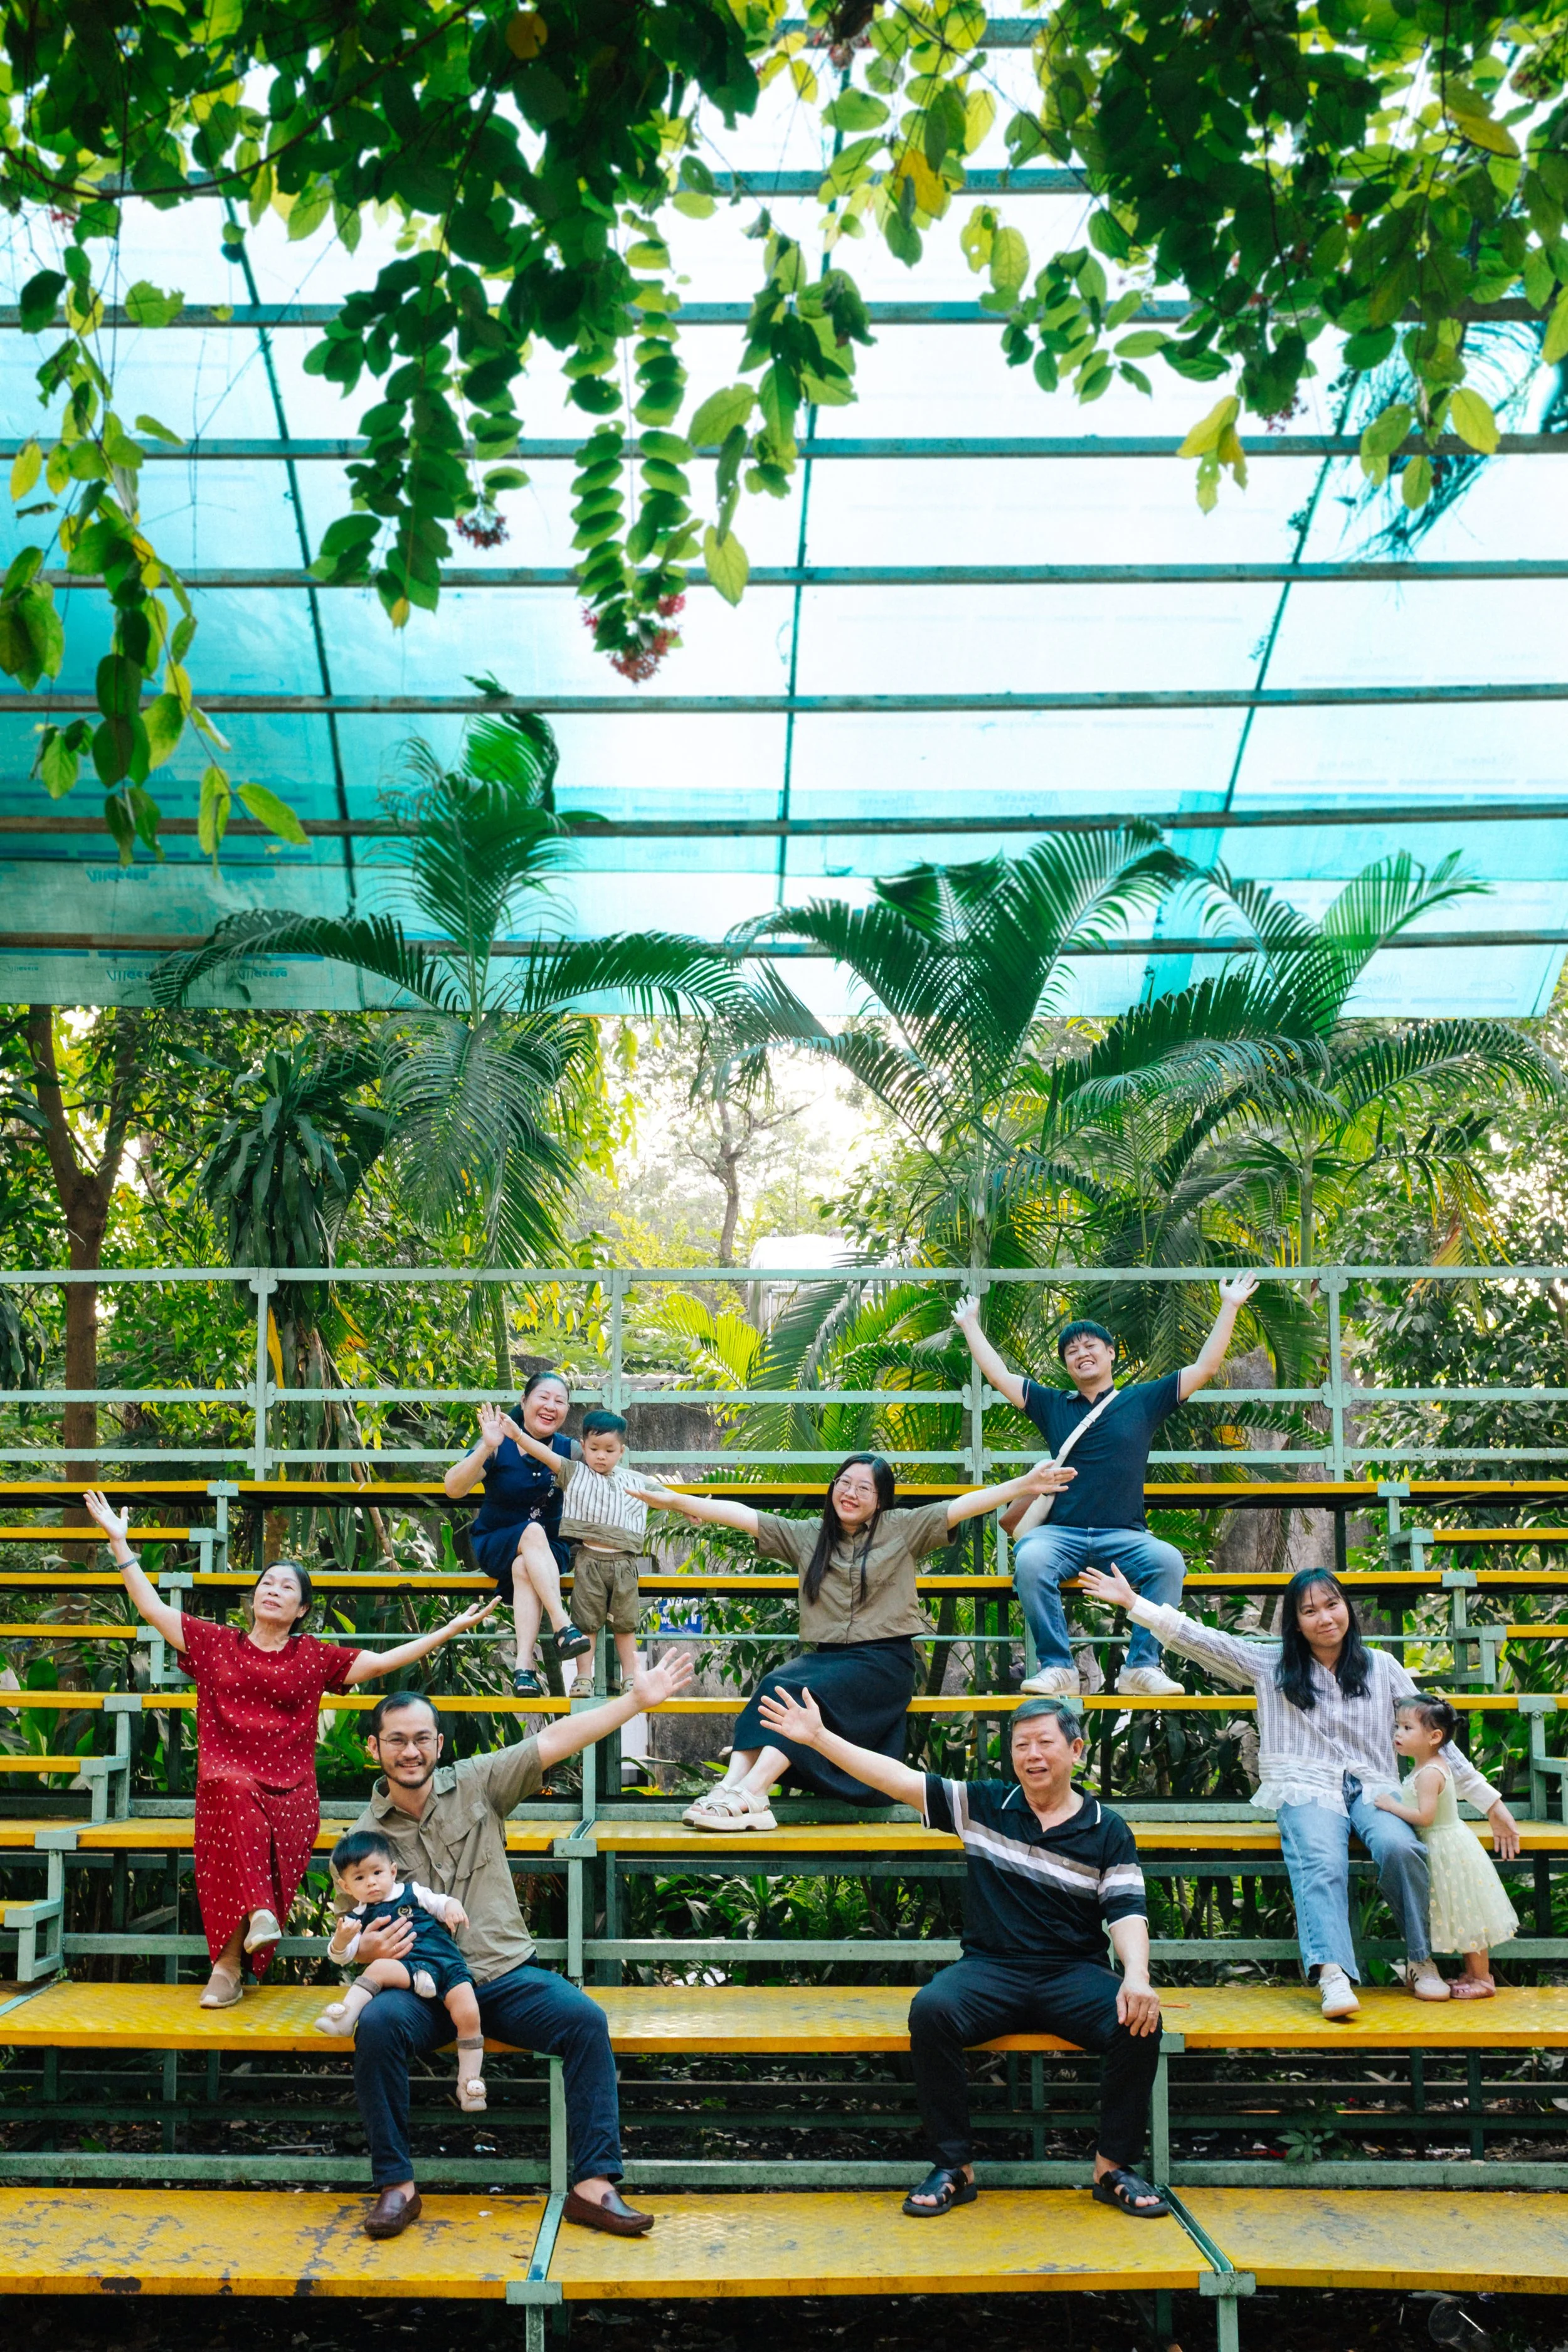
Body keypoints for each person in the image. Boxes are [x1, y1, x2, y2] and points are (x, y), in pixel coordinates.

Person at [757, 1683, 1166, 2220]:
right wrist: (819, 1738)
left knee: (1138, 2020)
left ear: (1076, 1750)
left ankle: (1112, 2168)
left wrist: (1136, 1974)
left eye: (1044, 1743)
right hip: (991, 1970)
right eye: (1021, 1746)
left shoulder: (1106, 1829)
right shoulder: (983, 1804)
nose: (1032, 1756)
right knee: (933, 2010)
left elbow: (1127, 1911)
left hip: (1072, 1973)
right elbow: (895, 1778)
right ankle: (955, 2168)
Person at [82, 1488, 499, 2011]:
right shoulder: (216, 1645)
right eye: (266, 1583)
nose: (273, 1591)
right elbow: (150, 1606)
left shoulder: (312, 1657)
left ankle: (230, 1967)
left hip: (291, 1793)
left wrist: (447, 1631)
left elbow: (382, 1662)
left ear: (302, 1608)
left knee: (245, 1821)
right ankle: (236, 1952)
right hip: (227, 1783)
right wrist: (121, 1544)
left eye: (287, 1587)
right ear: (254, 1598)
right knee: (233, 1797)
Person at [344, 1653, 694, 2241]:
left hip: (502, 1975)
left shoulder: (478, 1782)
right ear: (374, 1750)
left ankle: (593, 2185)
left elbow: (555, 1739)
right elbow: (351, 1935)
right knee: (376, 2028)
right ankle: (396, 2187)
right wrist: (364, 1950)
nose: (411, 1751)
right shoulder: (362, 1836)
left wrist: (636, 1700)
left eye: (422, 1739)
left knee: (584, 2021)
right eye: (396, 1740)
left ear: (439, 1743)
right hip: (424, 1988)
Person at [1079, 1560, 1521, 2016]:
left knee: (1400, 1848)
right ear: (1295, 1622)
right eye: (1310, 1611)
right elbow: (1203, 1639)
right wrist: (1135, 1603)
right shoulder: (1272, 1664)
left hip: (1375, 1787)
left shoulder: (1382, 1667)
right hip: (1307, 1786)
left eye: (1333, 1605)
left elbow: (1436, 1738)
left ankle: (1420, 1961)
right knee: (1321, 1859)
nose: (1325, 1618)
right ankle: (1333, 1975)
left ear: (1346, 1607)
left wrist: (1490, 1801)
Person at [644, 1453, 1078, 1832]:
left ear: (880, 1500)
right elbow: (743, 1516)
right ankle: (731, 1788)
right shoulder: (808, 1534)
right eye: (844, 1483)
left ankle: (754, 1793)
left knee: (799, 1694)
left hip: (883, 1664)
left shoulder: (902, 1528)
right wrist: (676, 1501)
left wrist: (1025, 1485)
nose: (850, 1493)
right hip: (828, 1660)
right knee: (777, 1683)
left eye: (864, 1488)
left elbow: (961, 1506)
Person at [951, 1276, 1261, 1698]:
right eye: (1072, 1351)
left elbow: (1205, 1368)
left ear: (1110, 1353)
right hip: (1060, 1535)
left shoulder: (1143, 1400)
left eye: (1090, 1346)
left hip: (1125, 1536)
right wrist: (970, 1323)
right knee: (1030, 1559)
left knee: (1168, 1562)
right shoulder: (1052, 1405)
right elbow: (999, 1374)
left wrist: (1230, 1305)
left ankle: (1142, 1668)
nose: (1081, 1354)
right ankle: (1058, 1667)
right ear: (1066, 1365)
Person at [492, 1404, 663, 1689]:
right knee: (585, 1624)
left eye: (610, 1450)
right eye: (595, 1448)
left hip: (625, 1565)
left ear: (622, 1451)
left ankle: (632, 1678)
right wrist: (518, 1436)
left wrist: (692, 1509)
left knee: (626, 1626)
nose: (601, 1456)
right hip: (589, 1561)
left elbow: (666, 1495)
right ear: (583, 1446)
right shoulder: (574, 1472)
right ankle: (583, 1678)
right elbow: (544, 1454)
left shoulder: (634, 1481)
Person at [317, 1829, 488, 2112]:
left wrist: (452, 1906)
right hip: (407, 1968)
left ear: (393, 1871)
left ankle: (469, 2084)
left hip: (446, 1964)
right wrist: (343, 1940)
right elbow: (341, 1957)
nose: (371, 1883)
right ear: (346, 1887)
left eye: (377, 1872)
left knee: (469, 2013)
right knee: (381, 1967)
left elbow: (439, 1901)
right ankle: (346, 2018)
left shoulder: (413, 1892)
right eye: (360, 1878)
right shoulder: (357, 1917)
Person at [445, 1372, 591, 1698]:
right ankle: (562, 1624)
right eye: (543, 1397)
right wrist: (486, 1447)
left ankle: (524, 1668)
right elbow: (453, 1489)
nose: (551, 1406)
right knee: (531, 1532)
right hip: (496, 1542)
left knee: (525, 1565)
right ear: (523, 1402)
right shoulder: (498, 1442)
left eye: (560, 1401)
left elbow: (605, 1485)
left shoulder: (570, 1451)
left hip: (550, 1552)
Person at [1375, 1697, 1519, 2000]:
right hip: (1443, 1844)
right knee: (1462, 1914)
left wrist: (1392, 1806)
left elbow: (1425, 1817)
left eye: (1407, 1728)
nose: (1397, 1734)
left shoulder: (1430, 1773)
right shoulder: (1426, 1765)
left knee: (1467, 1916)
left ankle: (1483, 1980)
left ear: (1434, 1736)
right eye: (1397, 1727)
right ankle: (1473, 1973)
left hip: (1446, 1848)